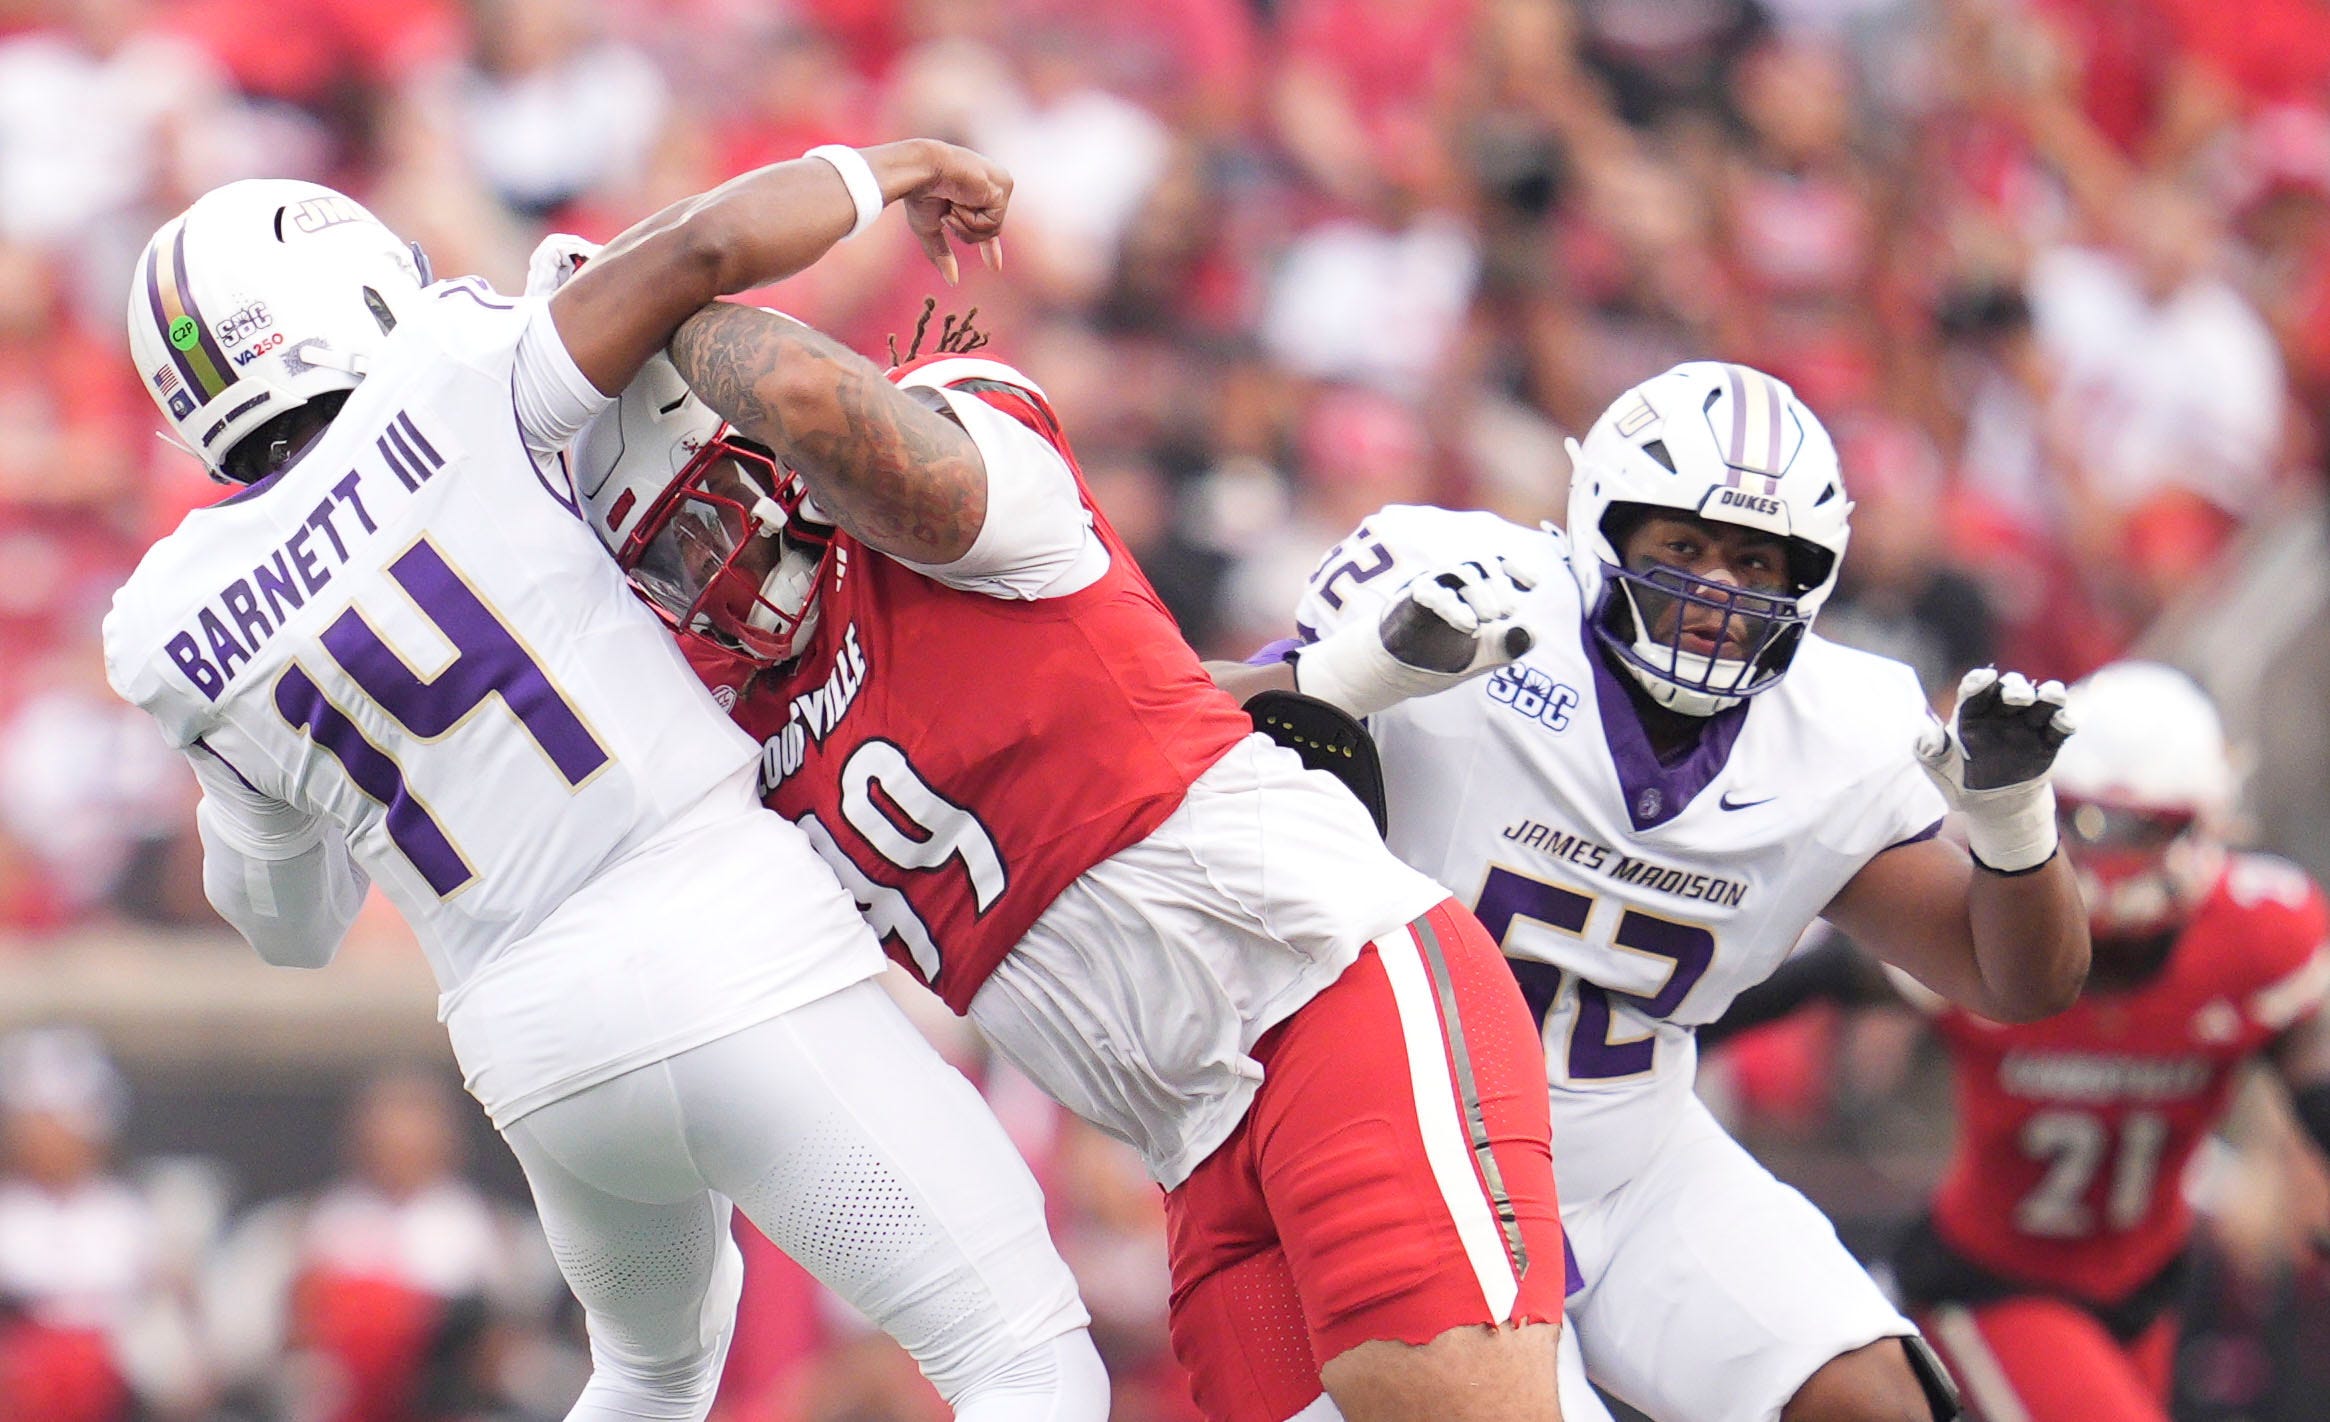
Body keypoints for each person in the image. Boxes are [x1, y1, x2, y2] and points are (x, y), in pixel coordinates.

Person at [100, 149, 1112, 1422]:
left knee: (650, 1374)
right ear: (343, 284)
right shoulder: (453, 370)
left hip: (536, 1055)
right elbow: (694, 252)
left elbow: (285, 928)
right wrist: (891, 162)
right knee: (1026, 1359)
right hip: (720, 947)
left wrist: (239, 768)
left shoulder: (170, 623)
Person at [553, 232, 1570, 1421]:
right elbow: (1095, 710)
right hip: (1187, 1138)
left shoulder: (958, 442)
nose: (709, 574)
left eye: (706, 518)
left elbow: (803, 392)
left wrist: (651, 293)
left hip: (1323, 995)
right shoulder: (729, 705)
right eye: (665, 559)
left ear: (767, 458)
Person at [1212, 360, 2092, 1422]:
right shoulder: (1469, 598)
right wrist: (1349, 679)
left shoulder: (1838, 728)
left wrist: (2011, 827)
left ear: (1807, 575)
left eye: (1753, 559)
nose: (1716, 589)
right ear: (1603, 528)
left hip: (1629, 1160)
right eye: (1681, 546)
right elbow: (1171, 746)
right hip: (1397, 1154)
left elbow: (2016, 980)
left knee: (1880, 1406)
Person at [1886, 662, 2330, 1422]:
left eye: (2145, 826)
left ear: (2211, 818)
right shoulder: (1990, 912)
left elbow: (2314, 1088)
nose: (2114, 852)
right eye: (2086, 819)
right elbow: (1805, 977)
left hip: (2140, 1294)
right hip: (1991, 1282)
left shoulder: (2259, 936)